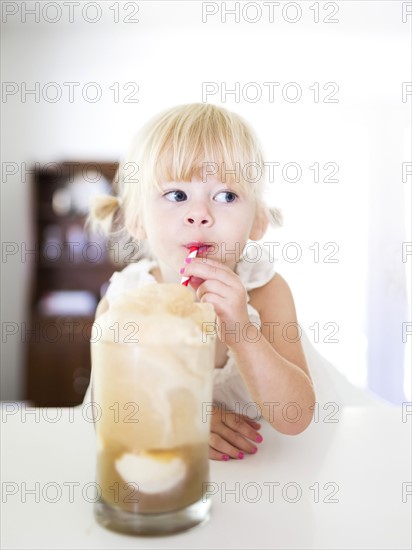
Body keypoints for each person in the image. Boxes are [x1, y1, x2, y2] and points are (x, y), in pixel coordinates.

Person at [84, 103, 379, 461]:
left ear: (257, 221)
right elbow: (106, 409)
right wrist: (187, 416)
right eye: (176, 195)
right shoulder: (124, 301)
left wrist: (241, 331)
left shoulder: (264, 291)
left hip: (273, 464)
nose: (199, 215)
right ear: (136, 219)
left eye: (226, 196)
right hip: (172, 466)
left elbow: (294, 417)